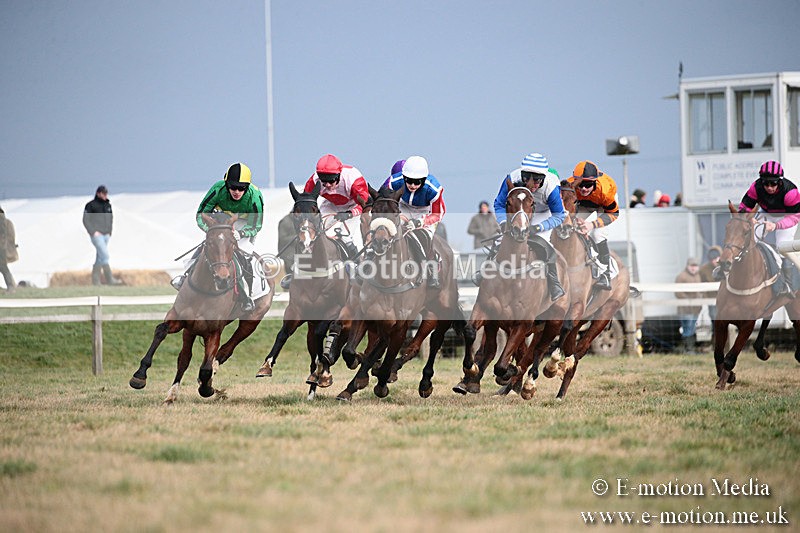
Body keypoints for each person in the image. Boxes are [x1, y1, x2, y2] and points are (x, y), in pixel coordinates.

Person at [173, 162, 264, 311]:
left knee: (244, 256)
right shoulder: (217, 189)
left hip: (245, 225)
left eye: (241, 188)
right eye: (233, 187)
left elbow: (256, 225)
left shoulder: (255, 197)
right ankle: (184, 277)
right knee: (209, 246)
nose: (237, 191)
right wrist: (210, 231)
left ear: (247, 187)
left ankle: (246, 295)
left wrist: (241, 233)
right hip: (221, 222)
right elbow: (201, 214)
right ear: (226, 183)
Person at [493, 152, 566, 300]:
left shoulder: (551, 187)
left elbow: (559, 215)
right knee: (499, 240)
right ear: (522, 174)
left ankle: (554, 283)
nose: (531, 183)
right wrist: (503, 223)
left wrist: (539, 228)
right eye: (527, 177)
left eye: (537, 179)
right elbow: (499, 204)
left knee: (545, 244)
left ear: (544, 178)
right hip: (518, 211)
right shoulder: (512, 178)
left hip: (542, 213)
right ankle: (486, 270)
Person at [738, 160, 800, 296]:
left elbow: (795, 217)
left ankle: (788, 284)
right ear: (761, 181)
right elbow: (744, 207)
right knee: (749, 238)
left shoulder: (791, 192)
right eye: (766, 183)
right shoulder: (756, 187)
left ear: (780, 181)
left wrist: (776, 225)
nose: (770, 187)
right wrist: (749, 219)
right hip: (767, 213)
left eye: (774, 183)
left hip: (787, 217)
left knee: (781, 245)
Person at [383, 155, 445, 288]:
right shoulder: (394, 181)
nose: (412, 185)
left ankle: (432, 267)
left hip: (426, 211)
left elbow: (437, 214)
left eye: (417, 182)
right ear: (403, 177)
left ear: (424, 179)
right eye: (409, 181)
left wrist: (420, 222)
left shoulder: (434, 189)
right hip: (403, 207)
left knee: (425, 237)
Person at [567, 160, 620, 291]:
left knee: (597, 234)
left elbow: (614, 214)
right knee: (569, 229)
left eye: (588, 184)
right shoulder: (569, 186)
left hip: (603, 205)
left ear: (595, 182)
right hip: (583, 204)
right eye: (580, 184)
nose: (584, 188)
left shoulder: (606, 190)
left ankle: (606, 274)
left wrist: (591, 224)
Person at [83, 185, 122, 286]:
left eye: (106, 193)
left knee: (100, 257)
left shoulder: (107, 205)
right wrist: (93, 231)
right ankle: (110, 279)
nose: (105, 195)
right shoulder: (91, 205)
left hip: (106, 235)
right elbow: (85, 220)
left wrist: (109, 231)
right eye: (103, 193)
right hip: (97, 235)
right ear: (98, 193)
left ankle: (95, 281)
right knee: (105, 255)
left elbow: (111, 219)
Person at [675, 257, 702, 353]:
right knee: (687, 328)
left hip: (696, 309)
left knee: (692, 328)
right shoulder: (681, 276)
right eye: (692, 266)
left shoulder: (699, 276)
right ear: (687, 266)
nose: (693, 268)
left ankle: (689, 349)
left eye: (695, 266)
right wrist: (688, 300)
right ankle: (688, 349)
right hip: (685, 309)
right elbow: (678, 293)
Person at [699, 245, 722, 322]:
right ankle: (714, 332)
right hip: (712, 298)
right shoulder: (704, 269)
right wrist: (705, 297)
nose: (714, 261)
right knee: (713, 315)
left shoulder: (727, 266)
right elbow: (701, 282)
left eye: (716, 258)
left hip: (725, 298)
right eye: (711, 259)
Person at [0, 205, 17, 292]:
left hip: (1, 247)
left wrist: (2, 244)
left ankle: (11, 286)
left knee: (2, 267)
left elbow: (2, 230)